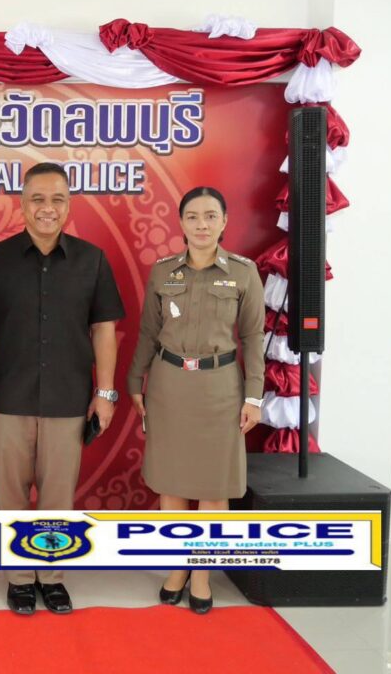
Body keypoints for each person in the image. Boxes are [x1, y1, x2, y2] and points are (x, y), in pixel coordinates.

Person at [0, 162, 125, 616]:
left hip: (68, 396)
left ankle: (52, 577)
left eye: (57, 199)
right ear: (22, 204)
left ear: (68, 205)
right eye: (37, 199)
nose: (47, 208)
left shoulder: (92, 260)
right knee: (11, 493)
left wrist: (105, 393)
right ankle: (19, 579)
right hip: (9, 395)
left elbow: (104, 328)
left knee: (59, 495)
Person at [127, 186, 264, 614]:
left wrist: (254, 396)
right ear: (181, 223)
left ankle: (201, 572)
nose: (201, 224)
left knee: (213, 485)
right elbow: (148, 332)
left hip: (220, 389)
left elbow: (253, 338)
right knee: (171, 481)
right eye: (192, 216)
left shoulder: (243, 273)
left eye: (210, 216)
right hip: (169, 386)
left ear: (224, 222)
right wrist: (134, 380)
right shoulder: (163, 272)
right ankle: (177, 566)